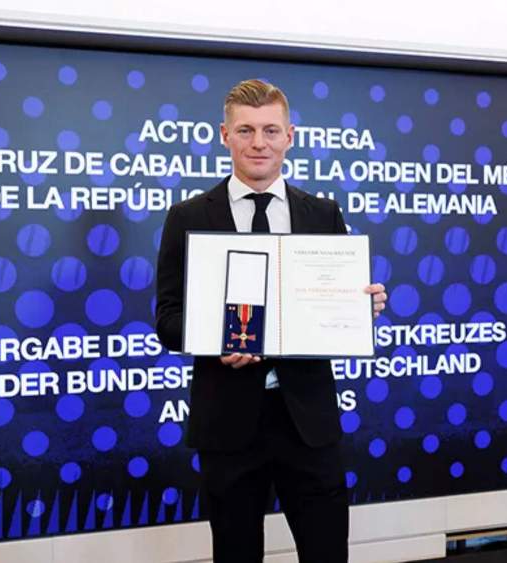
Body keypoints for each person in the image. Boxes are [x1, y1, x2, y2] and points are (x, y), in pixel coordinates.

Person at [154, 78, 387, 563]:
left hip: (308, 422)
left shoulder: (323, 213)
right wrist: (216, 340)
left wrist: (362, 307)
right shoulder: (187, 216)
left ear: (290, 136)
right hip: (229, 423)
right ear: (224, 135)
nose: (258, 142)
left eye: (270, 130)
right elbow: (168, 319)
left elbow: (334, 303)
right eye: (245, 130)